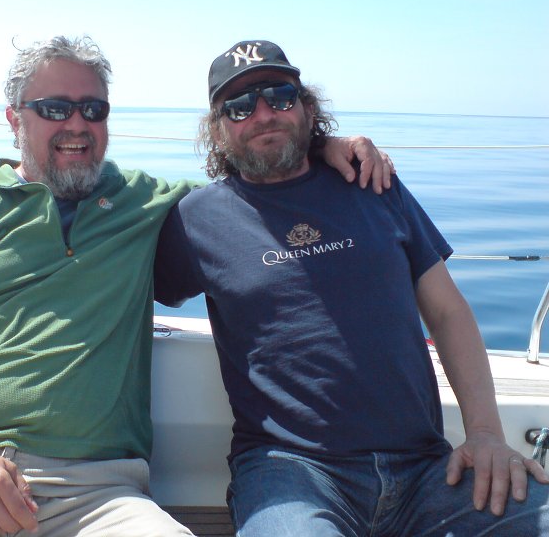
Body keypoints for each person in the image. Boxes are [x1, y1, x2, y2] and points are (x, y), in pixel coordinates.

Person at [0, 36, 391, 537]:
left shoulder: (149, 202)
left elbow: (253, 181)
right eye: (55, 109)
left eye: (93, 109)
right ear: (14, 119)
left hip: (97, 495)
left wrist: (320, 148)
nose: (77, 124)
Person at [154, 39, 549, 536]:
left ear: (306, 107)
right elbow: (125, 283)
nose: (263, 114)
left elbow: (448, 312)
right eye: (239, 106)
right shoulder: (198, 219)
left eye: (279, 96)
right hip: (290, 472)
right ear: (217, 129)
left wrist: (486, 433)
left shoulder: (373, 184)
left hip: (427, 469)